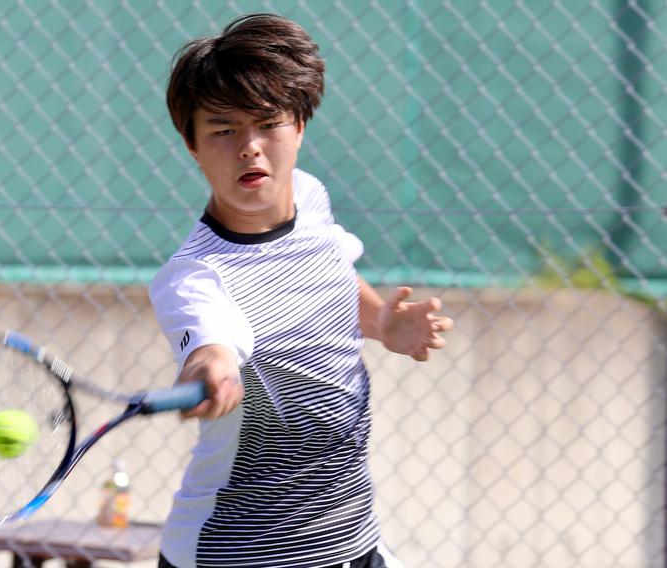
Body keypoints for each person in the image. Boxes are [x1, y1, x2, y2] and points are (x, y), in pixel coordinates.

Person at [149, 13, 453, 568]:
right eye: (222, 129)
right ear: (192, 146)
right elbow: (210, 344)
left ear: (300, 127)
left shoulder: (310, 198)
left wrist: (381, 322)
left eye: (268, 123)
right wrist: (211, 369)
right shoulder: (195, 278)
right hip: (236, 552)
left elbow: (328, 269)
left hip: (352, 537)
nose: (250, 147)